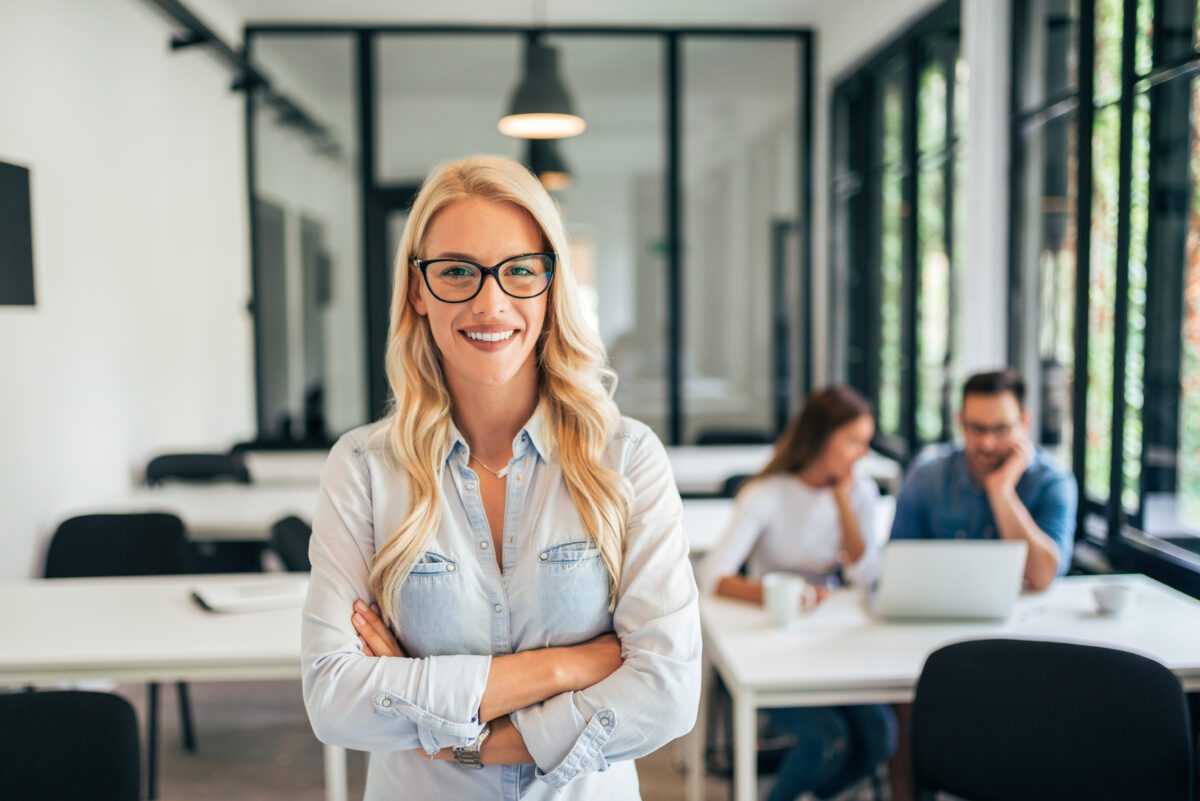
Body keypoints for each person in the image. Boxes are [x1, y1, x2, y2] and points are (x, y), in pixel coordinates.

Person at [300, 155, 701, 800]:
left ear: (550, 285)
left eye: (518, 271)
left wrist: (460, 737)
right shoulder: (363, 468)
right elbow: (335, 699)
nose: (490, 303)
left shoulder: (626, 457)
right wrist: (568, 667)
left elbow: (667, 694)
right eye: (457, 271)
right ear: (418, 290)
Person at [697, 385, 896, 801]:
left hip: (837, 646)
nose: (863, 453)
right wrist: (786, 596)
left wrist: (842, 501)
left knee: (880, 735)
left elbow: (865, 576)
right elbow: (713, 575)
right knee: (828, 739)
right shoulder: (767, 493)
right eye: (853, 441)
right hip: (773, 647)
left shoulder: (860, 492)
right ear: (822, 438)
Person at [889, 368, 1078, 591]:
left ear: (1024, 423)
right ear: (961, 421)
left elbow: (1044, 576)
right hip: (939, 605)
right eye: (977, 429)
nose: (987, 443)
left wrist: (1002, 493)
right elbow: (896, 566)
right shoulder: (926, 477)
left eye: (1001, 429)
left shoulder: (1053, 482)